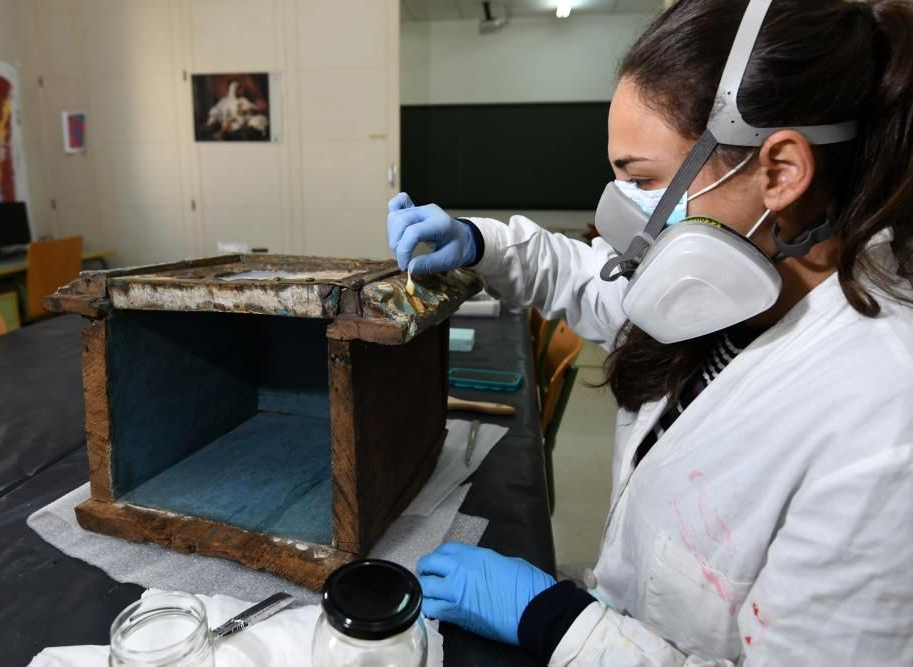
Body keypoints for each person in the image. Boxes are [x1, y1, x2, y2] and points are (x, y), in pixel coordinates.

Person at [385, 0, 913, 664]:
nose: (623, 221)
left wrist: (559, 622)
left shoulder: (885, 414)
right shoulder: (739, 285)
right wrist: (477, 242)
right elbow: (587, 280)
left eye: (644, 180)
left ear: (780, 171)